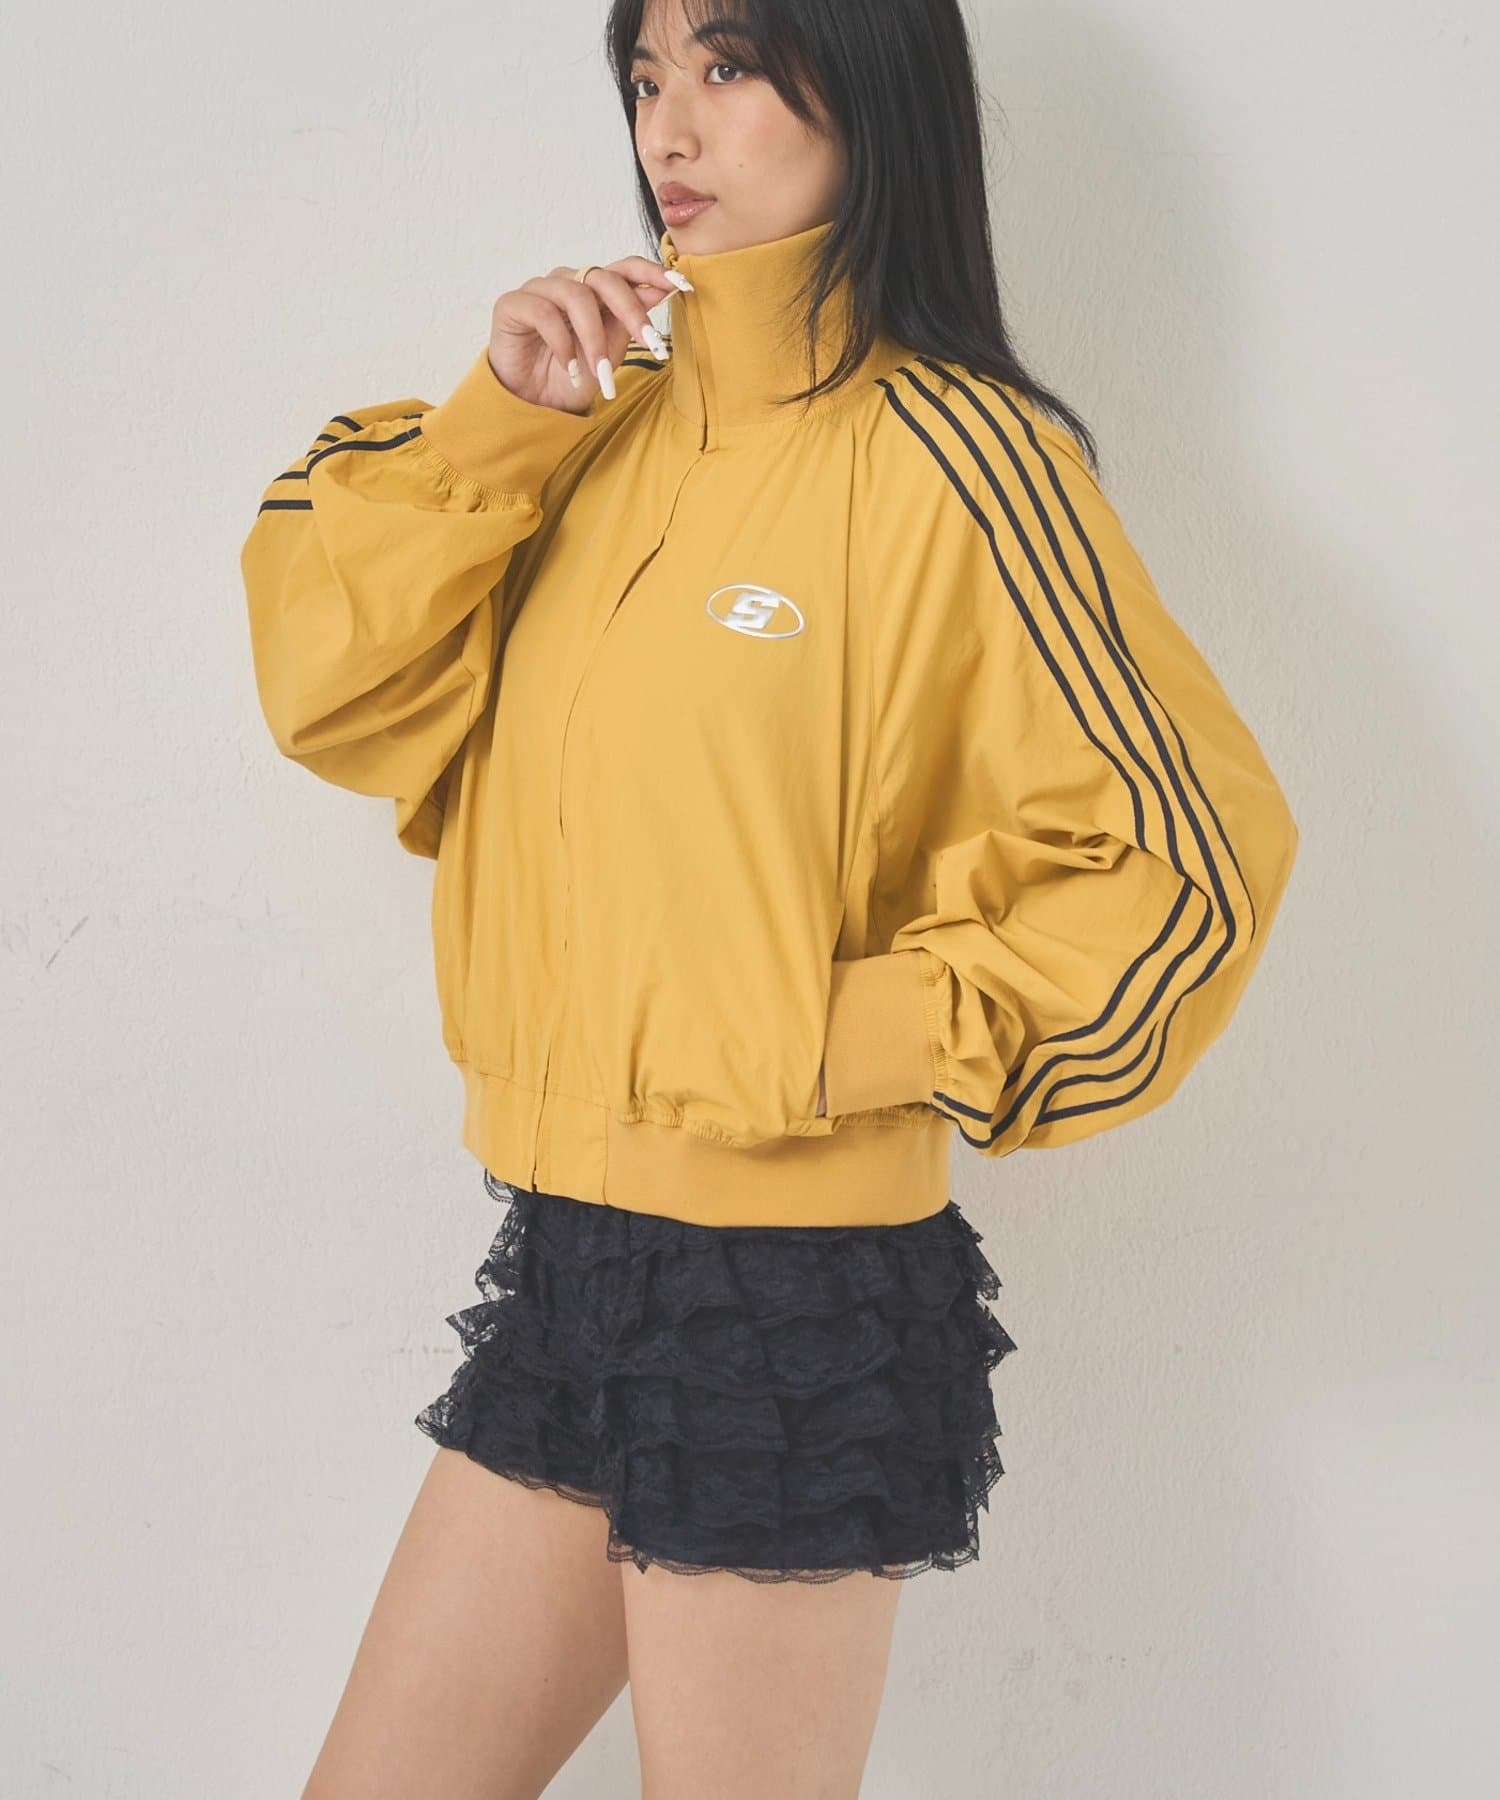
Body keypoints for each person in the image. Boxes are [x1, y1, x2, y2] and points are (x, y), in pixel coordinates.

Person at [240, 0, 1300, 1793]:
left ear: (867, 89)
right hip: (571, 1251)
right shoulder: (594, 432)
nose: (669, 125)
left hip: (788, 1299)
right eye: (646, 77)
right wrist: (500, 429)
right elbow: (336, 691)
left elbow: (1187, 864)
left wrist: (821, 1040)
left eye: (727, 67)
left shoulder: (961, 458)